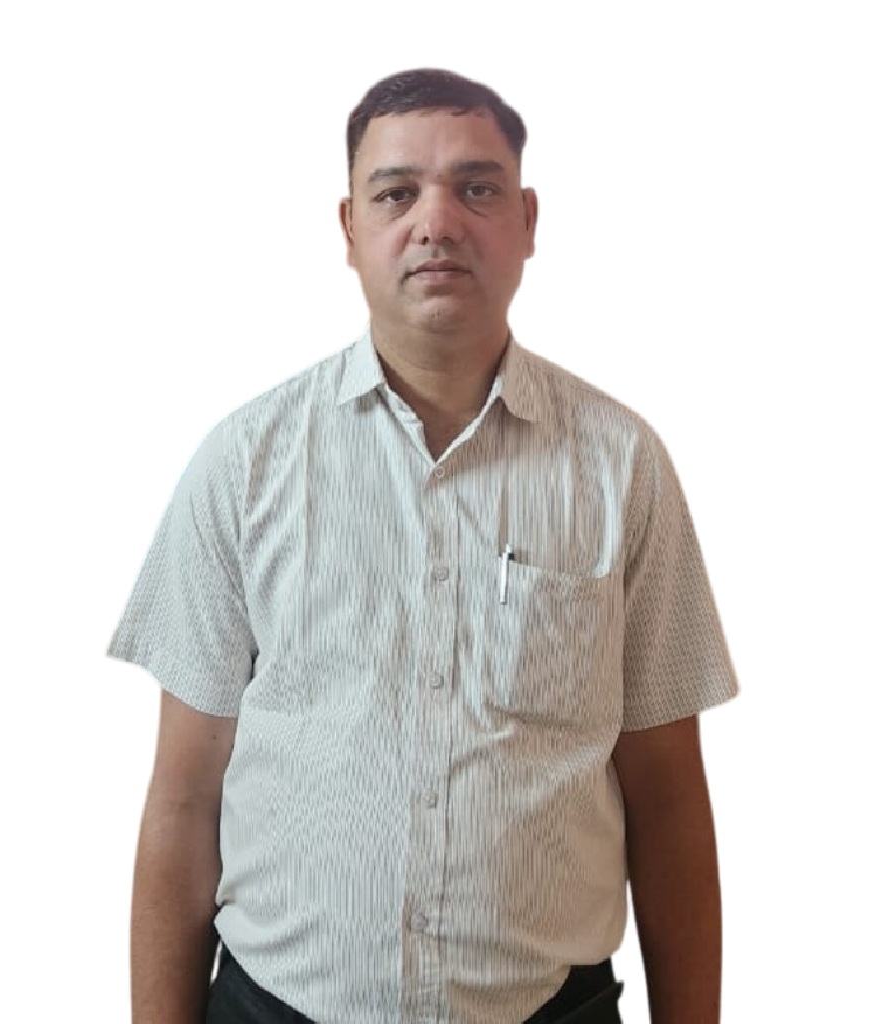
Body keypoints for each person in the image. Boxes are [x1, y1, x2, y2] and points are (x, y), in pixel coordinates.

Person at [108, 68, 739, 1024]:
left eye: (476, 189)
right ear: (348, 229)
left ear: (527, 220)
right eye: (395, 193)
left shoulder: (622, 467)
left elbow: (670, 800)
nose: (436, 222)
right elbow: (184, 801)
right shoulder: (244, 465)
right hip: (274, 1007)